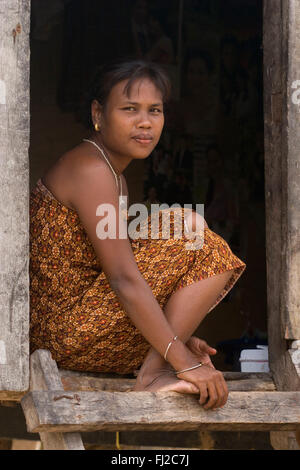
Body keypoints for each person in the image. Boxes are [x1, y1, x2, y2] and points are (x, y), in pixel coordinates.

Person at [30, 59, 246, 410]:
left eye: (154, 110)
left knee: (192, 229)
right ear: (98, 112)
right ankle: (152, 374)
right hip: (64, 335)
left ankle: (154, 364)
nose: (145, 122)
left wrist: (178, 338)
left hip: (78, 325)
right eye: (130, 109)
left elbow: (126, 275)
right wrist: (183, 360)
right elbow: (123, 279)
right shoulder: (91, 169)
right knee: (198, 237)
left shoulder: (113, 174)